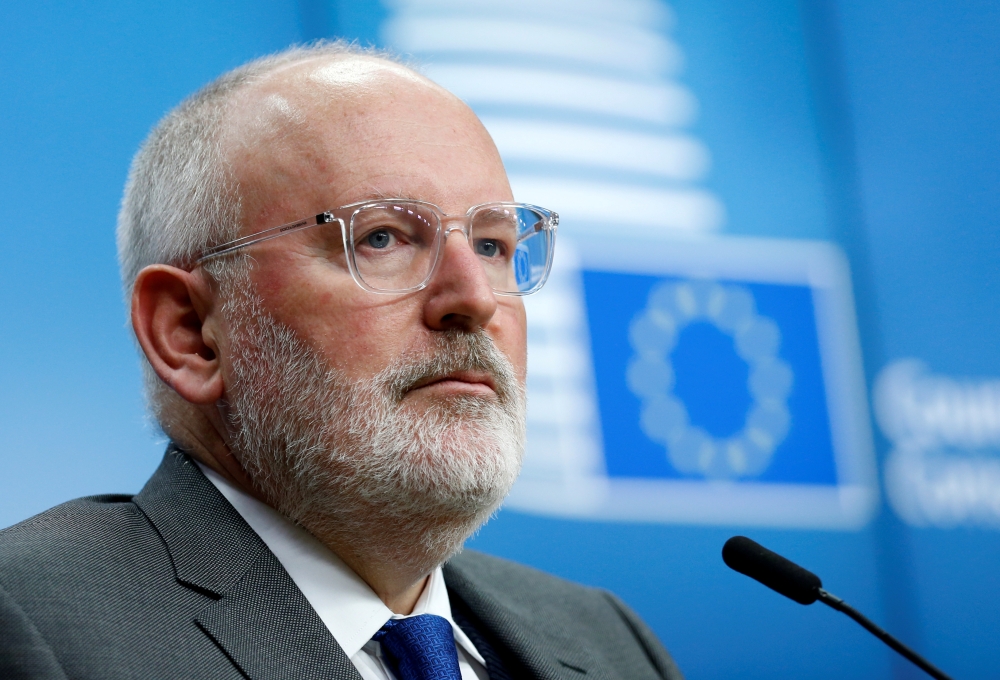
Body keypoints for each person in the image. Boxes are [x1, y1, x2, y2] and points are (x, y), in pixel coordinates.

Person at [0, 42, 683, 680]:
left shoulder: (610, 642)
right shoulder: (33, 624)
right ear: (191, 332)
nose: (474, 299)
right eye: (382, 237)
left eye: (492, 246)